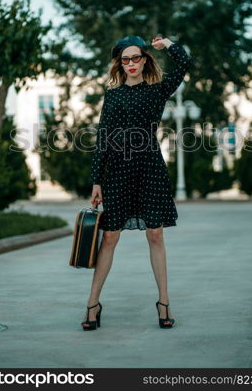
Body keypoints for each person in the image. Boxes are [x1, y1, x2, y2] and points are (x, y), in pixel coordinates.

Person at [81, 35, 193, 330]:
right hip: (117, 170)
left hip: (149, 168)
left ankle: (164, 303)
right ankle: (93, 303)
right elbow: (103, 137)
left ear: (145, 59)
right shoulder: (112, 95)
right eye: (125, 59)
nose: (130, 63)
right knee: (110, 237)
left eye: (136, 57)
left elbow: (184, 64)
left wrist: (168, 44)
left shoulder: (157, 90)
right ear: (120, 63)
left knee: (155, 234)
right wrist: (96, 180)